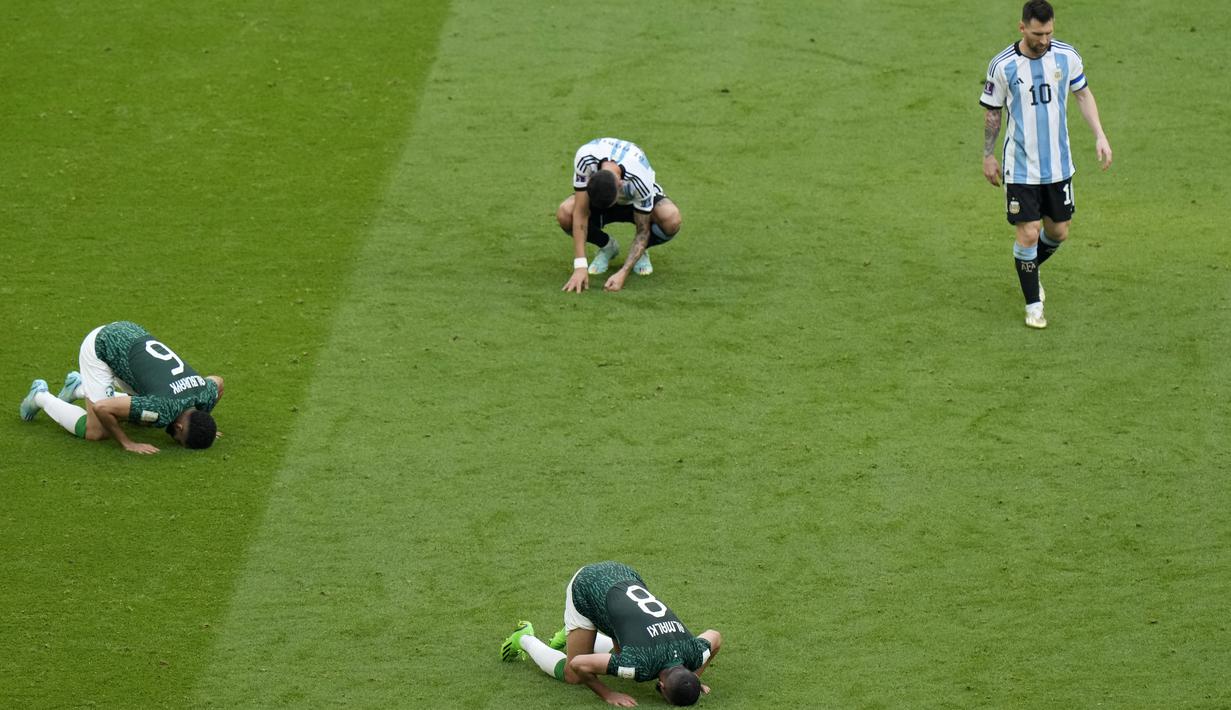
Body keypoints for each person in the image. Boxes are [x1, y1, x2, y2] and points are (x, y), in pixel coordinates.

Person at [980, 0, 1113, 328]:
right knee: (1028, 233)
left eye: (1049, 32)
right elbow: (992, 112)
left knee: (1058, 232)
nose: (1044, 39)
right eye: (1038, 33)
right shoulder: (1003, 65)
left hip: (1058, 165)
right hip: (1021, 166)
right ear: (1022, 27)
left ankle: (1029, 268)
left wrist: (1100, 135)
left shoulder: (1066, 56)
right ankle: (1033, 305)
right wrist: (988, 154)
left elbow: (1083, 94)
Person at [500, 561, 721, 707]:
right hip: (587, 586)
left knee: (620, 650)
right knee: (572, 675)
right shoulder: (639, 665)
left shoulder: (693, 651)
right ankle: (525, 638)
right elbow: (579, 663)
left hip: (624, 574)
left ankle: (576, 633)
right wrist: (607, 694)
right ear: (661, 687)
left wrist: (693, 678)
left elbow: (715, 636)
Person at [18, 320, 224, 454]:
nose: (175, 439)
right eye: (179, 440)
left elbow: (218, 381)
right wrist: (127, 443)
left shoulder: (204, 394)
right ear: (179, 427)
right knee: (96, 430)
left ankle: (79, 388)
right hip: (102, 346)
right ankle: (40, 397)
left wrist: (202, 422)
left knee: (142, 419)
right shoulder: (162, 408)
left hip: (131, 334)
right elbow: (102, 409)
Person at [558, 138, 682, 293]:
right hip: (603, 194)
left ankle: (641, 251)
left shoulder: (639, 179)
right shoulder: (585, 158)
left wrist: (623, 272)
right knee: (565, 213)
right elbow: (581, 212)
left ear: (620, 185)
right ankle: (607, 246)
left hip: (636, 200)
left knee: (671, 219)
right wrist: (580, 266)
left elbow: (642, 231)